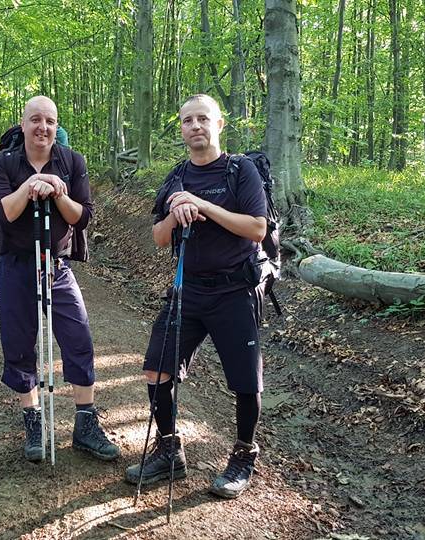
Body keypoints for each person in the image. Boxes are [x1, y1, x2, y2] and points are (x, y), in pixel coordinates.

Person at [124, 94, 267, 499]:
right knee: (156, 369)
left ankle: (243, 456)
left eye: (203, 119)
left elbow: (256, 228)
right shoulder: (176, 177)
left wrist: (201, 204)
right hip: (188, 291)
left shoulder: (243, 171)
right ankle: (169, 451)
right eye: (187, 121)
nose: (195, 127)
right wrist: (175, 212)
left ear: (220, 125)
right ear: (182, 129)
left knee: (244, 382)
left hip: (235, 290)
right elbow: (157, 237)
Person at [0, 96, 120, 463]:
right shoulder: (2, 163)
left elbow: (82, 216)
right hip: (16, 264)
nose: (42, 127)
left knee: (78, 338)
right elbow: (3, 214)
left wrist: (58, 190)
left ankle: (85, 423)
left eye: (49, 121)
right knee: (18, 342)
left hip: (57, 266)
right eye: (35, 120)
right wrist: (31, 184)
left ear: (56, 125)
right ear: (23, 123)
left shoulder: (72, 161)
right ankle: (33, 419)